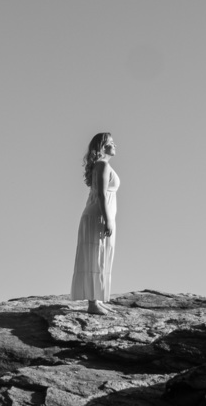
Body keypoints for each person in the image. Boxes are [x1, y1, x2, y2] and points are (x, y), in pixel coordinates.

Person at [71, 132, 120, 314]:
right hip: (98, 215)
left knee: (102, 256)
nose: (115, 145)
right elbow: (100, 194)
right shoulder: (102, 165)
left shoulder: (103, 165)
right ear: (102, 146)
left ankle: (97, 299)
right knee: (96, 255)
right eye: (111, 143)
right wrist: (107, 219)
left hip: (102, 214)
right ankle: (92, 303)